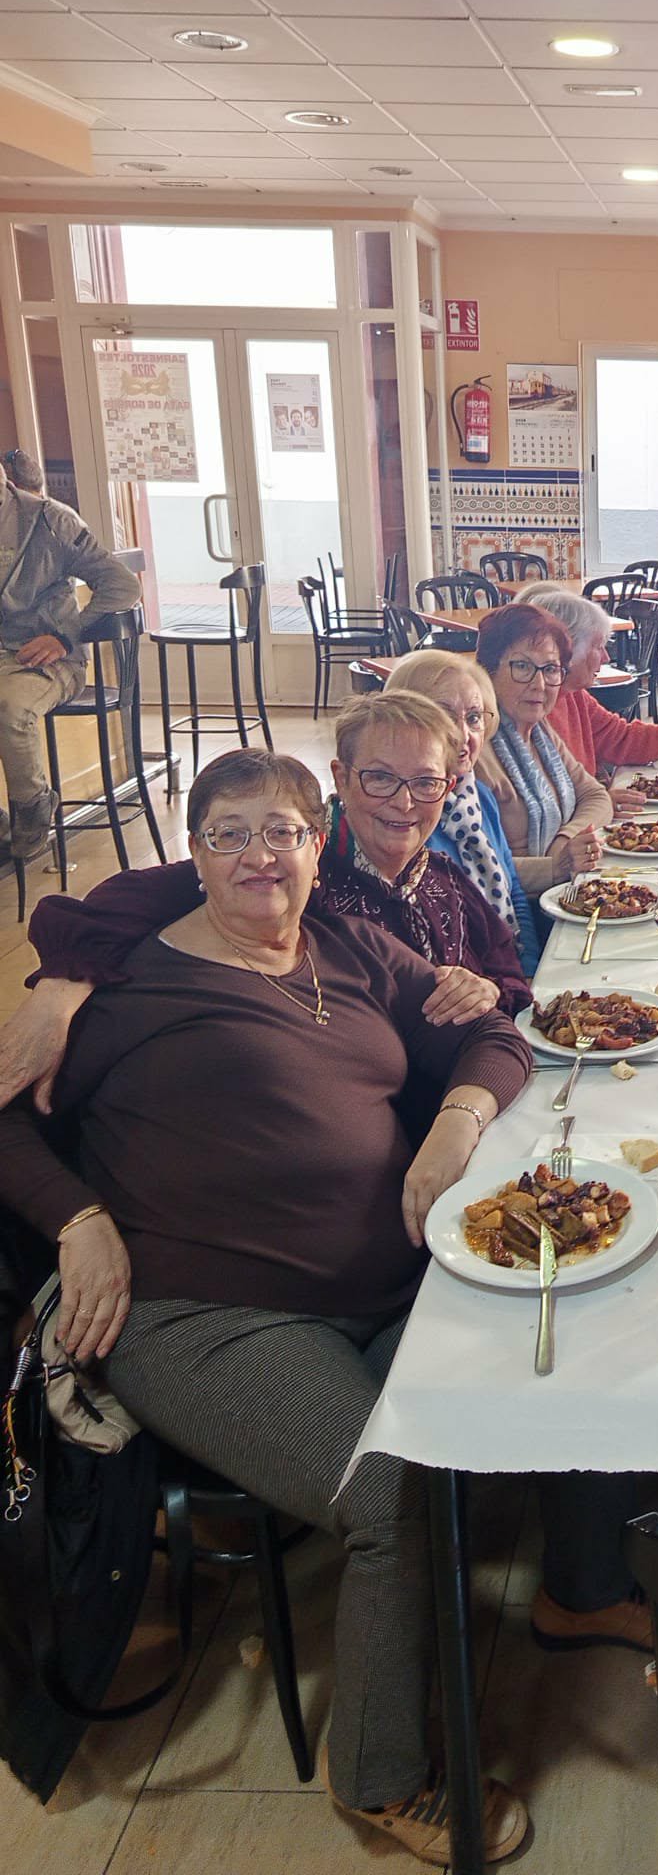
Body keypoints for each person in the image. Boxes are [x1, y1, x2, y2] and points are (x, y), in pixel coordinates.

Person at [0, 748, 540, 1863]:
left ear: (316, 844)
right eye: (230, 833)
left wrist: (454, 1123)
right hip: (202, 1313)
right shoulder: (130, 980)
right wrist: (76, 1217)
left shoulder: (345, 943)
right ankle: (383, 1775)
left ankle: (567, 1595)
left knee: (542, 1358)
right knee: (389, 1489)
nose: (260, 854)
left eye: (283, 832)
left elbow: (486, 1035)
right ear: (191, 854)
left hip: (387, 1282)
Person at [4, 692, 532, 1112]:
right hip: (379, 1112)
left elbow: (510, 974)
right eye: (379, 778)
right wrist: (59, 990)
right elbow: (117, 903)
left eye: (425, 782)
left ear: (450, 786)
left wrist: (487, 990)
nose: (403, 801)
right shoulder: (290, 872)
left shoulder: (441, 876)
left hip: (476, 1090)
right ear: (341, 779)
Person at [0, 447, 140, 867]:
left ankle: (33, 810)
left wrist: (64, 636)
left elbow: (122, 584)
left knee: (9, 707)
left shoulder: (50, 519)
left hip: (47, 661)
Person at [382, 648, 540, 975]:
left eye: (474, 718)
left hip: (510, 978)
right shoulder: (404, 817)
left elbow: (514, 896)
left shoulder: (479, 796)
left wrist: (531, 973)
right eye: (443, 715)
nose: (464, 735)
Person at [522, 584, 658, 790]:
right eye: (598, 647)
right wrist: (602, 801)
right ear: (567, 651)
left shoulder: (573, 695)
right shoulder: (531, 710)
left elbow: (622, 738)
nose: (606, 658)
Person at [474, 603, 613, 896]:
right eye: (522, 667)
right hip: (516, 915)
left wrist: (565, 839)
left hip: (562, 893)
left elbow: (596, 796)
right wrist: (554, 866)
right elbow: (473, 867)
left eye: (550, 669)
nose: (539, 684)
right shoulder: (474, 751)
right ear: (488, 670)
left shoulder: (539, 732)